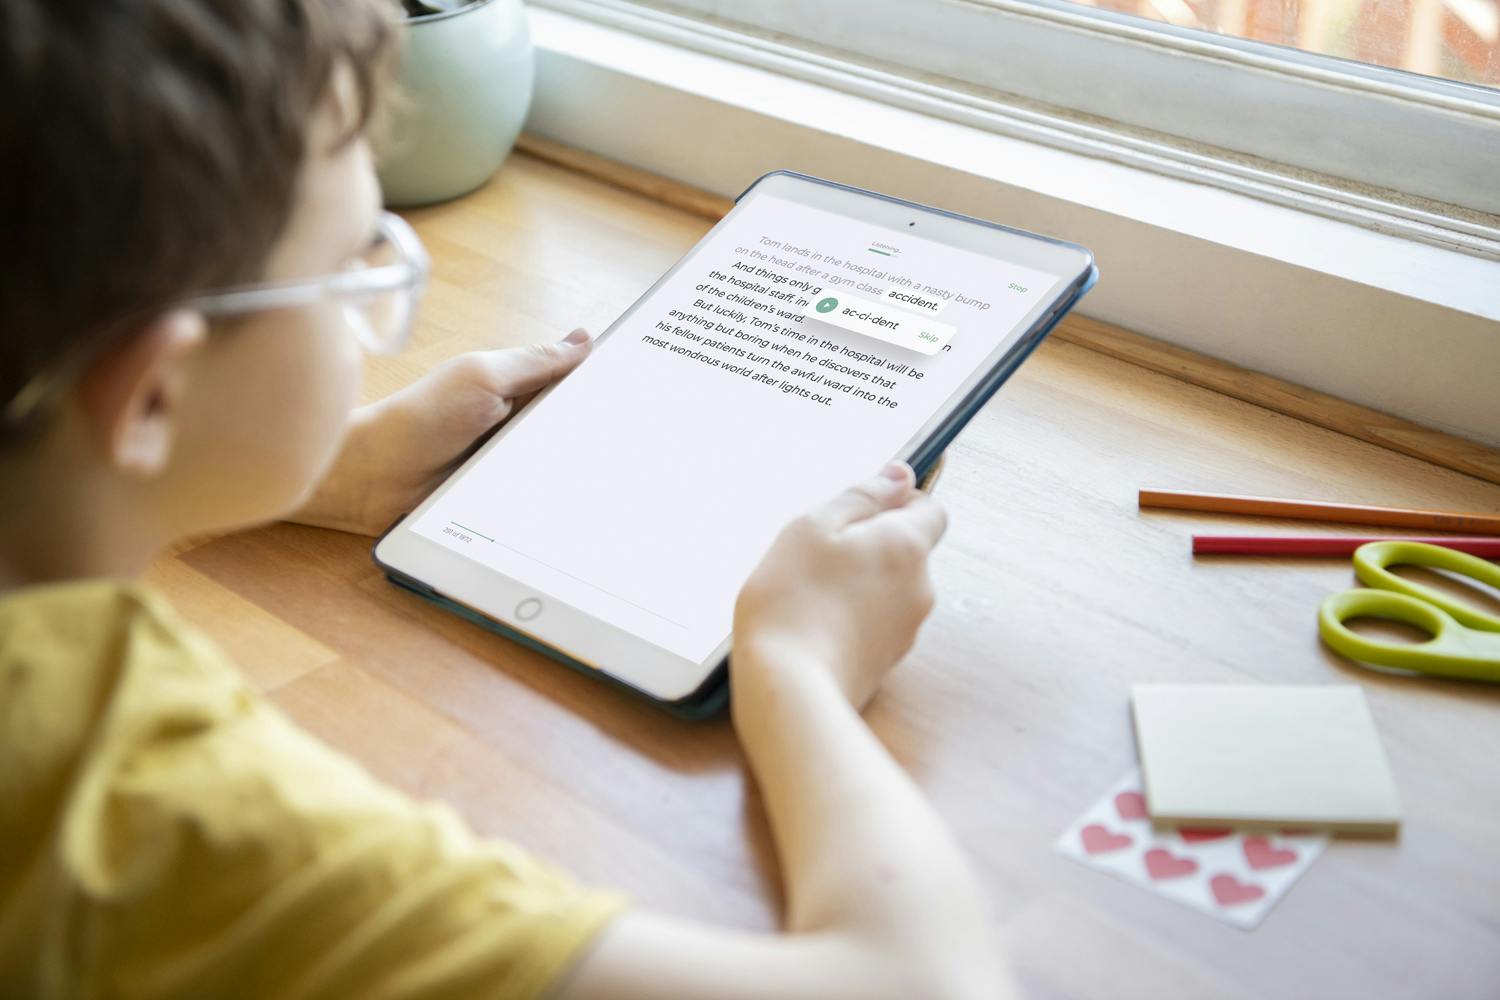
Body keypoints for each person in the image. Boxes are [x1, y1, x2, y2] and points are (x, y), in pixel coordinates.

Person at [0, 2, 1011, 997]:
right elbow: (929, 982)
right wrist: (798, 667)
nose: (376, 296)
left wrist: (335, 470)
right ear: (156, 394)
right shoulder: (145, 814)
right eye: (353, 266)